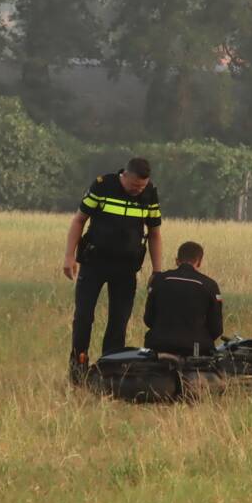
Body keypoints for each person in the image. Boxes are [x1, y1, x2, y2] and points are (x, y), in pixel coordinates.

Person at [64, 157, 163, 379]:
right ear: (124, 175)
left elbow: (155, 233)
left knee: (119, 320)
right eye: (134, 185)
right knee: (83, 317)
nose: (138, 190)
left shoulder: (149, 195)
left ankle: (109, 369)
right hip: (94, 263)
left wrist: (157, 271)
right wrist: (69, 256)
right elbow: (79, 220)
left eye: (142, 186)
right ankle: (78, 367)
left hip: (126, 268)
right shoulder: (103, 185)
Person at [143, 241, 223, 357]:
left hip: (157, 345)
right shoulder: (209, 285)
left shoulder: (159, 280)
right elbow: (216, 329)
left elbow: (148, 319)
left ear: (177, 261)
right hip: (194, 349)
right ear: (199, 262)